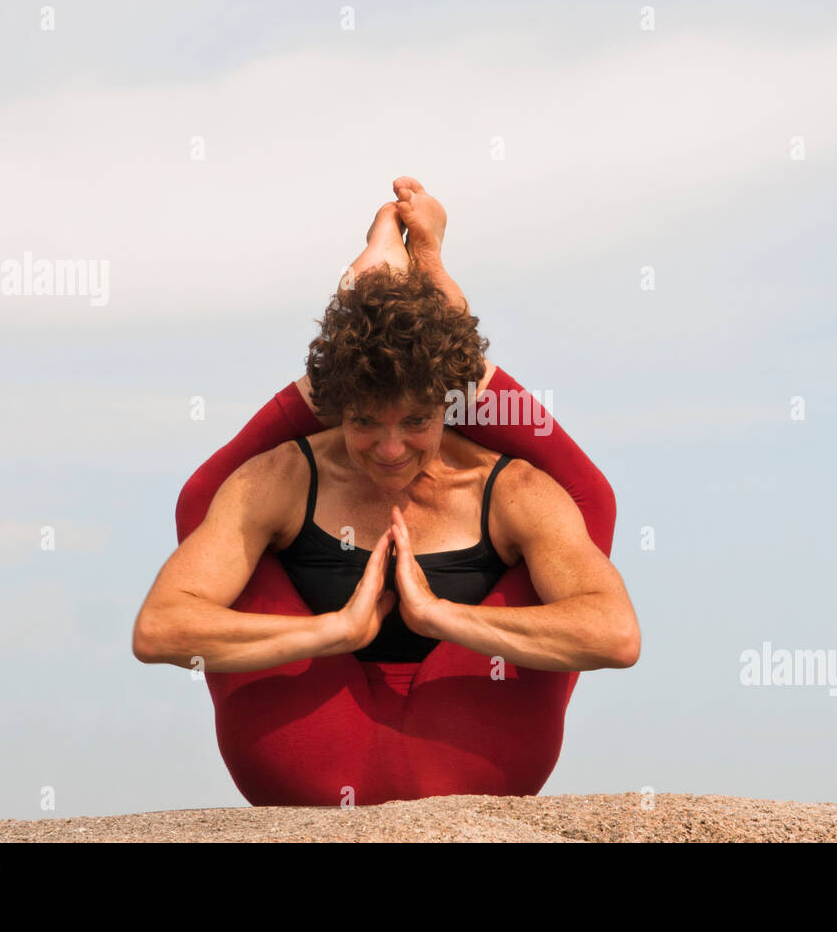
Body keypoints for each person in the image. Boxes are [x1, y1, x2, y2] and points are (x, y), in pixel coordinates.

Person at [133, 177, 638, 806]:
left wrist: (440, 617)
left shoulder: (510, 489)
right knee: (210, 500)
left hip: (475, 759)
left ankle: (398, 284)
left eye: (417, 422)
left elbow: (616, 637)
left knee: (587, 504)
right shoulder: (284, 477)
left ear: (450, 411)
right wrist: (336, 632)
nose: (391, 449)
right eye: (364, 421)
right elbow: (159, 631)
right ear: (337, 409)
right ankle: (379, 307)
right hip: (306, 760)